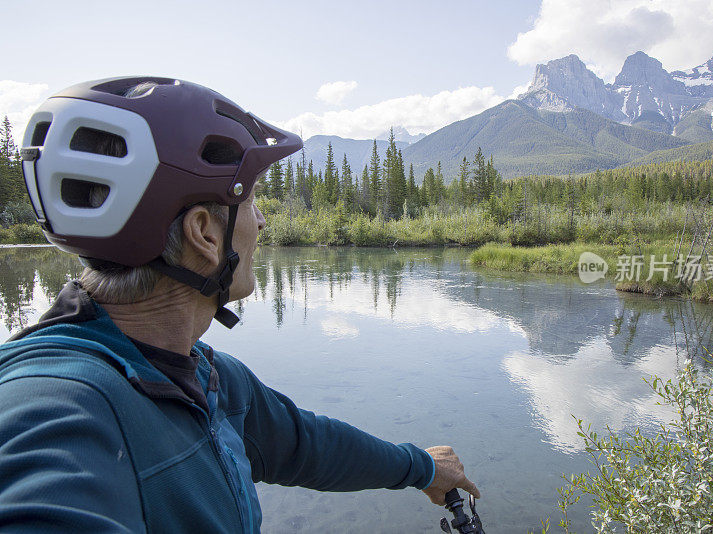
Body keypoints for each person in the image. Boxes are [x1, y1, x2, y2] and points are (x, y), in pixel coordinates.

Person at [0, 77, 479, 532]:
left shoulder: (206, 378)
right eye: (250, 199)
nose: (262, 221)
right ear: (206, 233)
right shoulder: (53, 407)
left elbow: (307, 445)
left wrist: (422, 467)